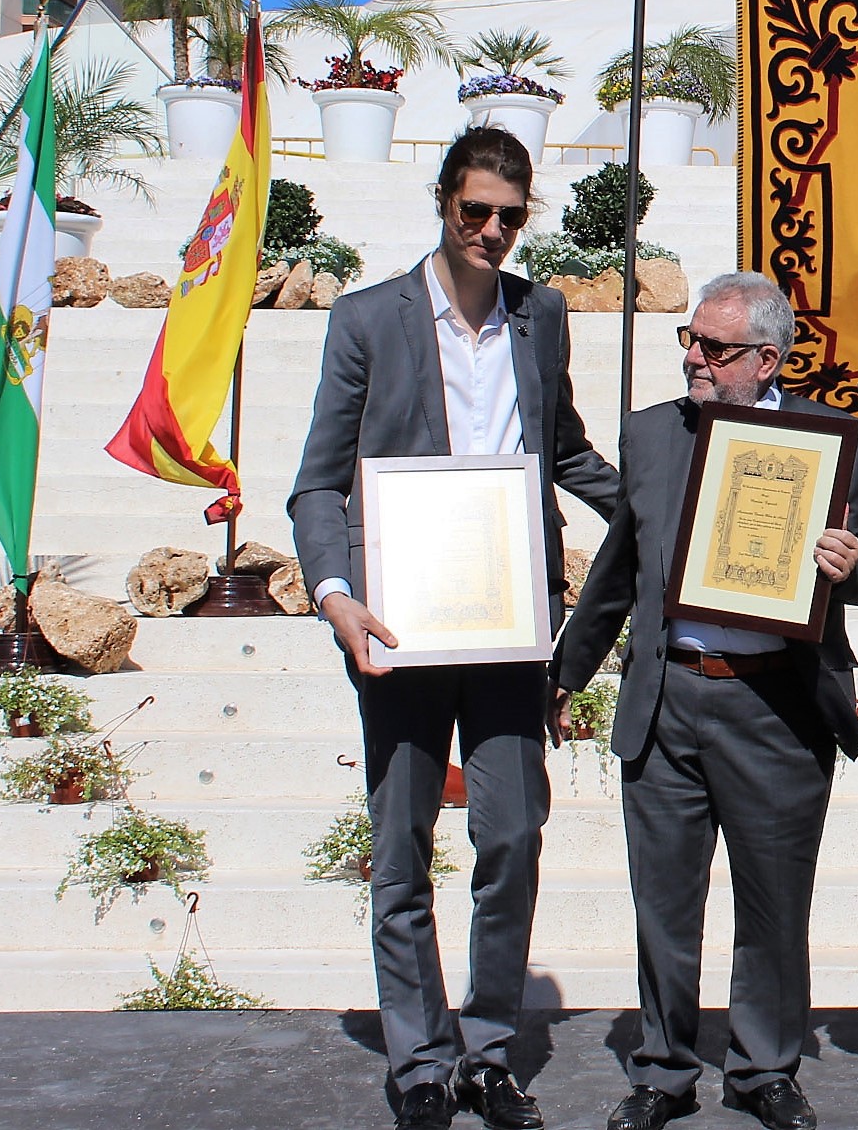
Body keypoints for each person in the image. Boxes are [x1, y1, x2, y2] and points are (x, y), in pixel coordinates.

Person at [289, 126, 620, 1130]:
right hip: (401, 622)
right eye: (474, 211)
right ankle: (418, 1056)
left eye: (510, 218)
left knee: (513, 834)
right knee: (400, 846)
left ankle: (485, 1047)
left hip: (512, 624)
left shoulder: (541, 314)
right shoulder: (366, 320)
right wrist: (334, 592)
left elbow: (564, 450)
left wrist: (667, 503)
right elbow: (316, 481)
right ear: (443, 202)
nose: (490, 232)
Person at [550, 273, 858, 1130]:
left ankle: (763, 1068)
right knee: (663, 905)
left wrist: (854, 566)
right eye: (689, 341)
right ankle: (663, 1070)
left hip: (775, 707)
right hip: (669, 698)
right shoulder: (653, 435)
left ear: (768, 358)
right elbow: (618, 568)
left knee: (774, 906)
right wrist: (566, 672)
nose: (695, 359)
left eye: (715, 348)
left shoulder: (836, 438)